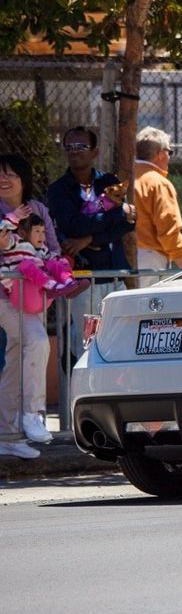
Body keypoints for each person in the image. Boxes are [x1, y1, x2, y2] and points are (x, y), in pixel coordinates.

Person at [47, 125, 135, 359]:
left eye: (82, 146)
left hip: (115, 275)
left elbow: (128, 224)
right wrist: (117, 213)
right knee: (84, 348)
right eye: (70, 147)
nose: (75, 151)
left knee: (119, 345)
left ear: (94, 151)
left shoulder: (108, 181)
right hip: (82, 282)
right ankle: (76, 396)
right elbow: (74, 225)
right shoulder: (58, 190)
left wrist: (89, 239)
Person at [0, 154, 59, 457]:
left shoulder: (38, 210)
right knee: (37, 342)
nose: (3, 179)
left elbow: (53, 247)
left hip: (33, 294)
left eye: (10, 174)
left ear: (24, 179)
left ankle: (7, 434)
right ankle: (33, 414)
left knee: (16, 359)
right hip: (5, 295)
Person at [133, 127, 182, 287]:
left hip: (121, 256)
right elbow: (169, 231)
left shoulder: (123, 178)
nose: (169, 157)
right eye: (169, 152)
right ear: (160, 153)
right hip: (151, 259)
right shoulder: (158, 183)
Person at [1, 212, 89, 311]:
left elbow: (53, 259)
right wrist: (15, 216)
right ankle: (52, 285)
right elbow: (2, 232)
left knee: (55, 262)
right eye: (37, 231)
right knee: (26, 264)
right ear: (22, 233)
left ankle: (69, 284)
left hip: (40, 294)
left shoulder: (42, 249)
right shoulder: (15, 242)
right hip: (18, 293)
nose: (41, 236)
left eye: (43, 232)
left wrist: (65, 262)